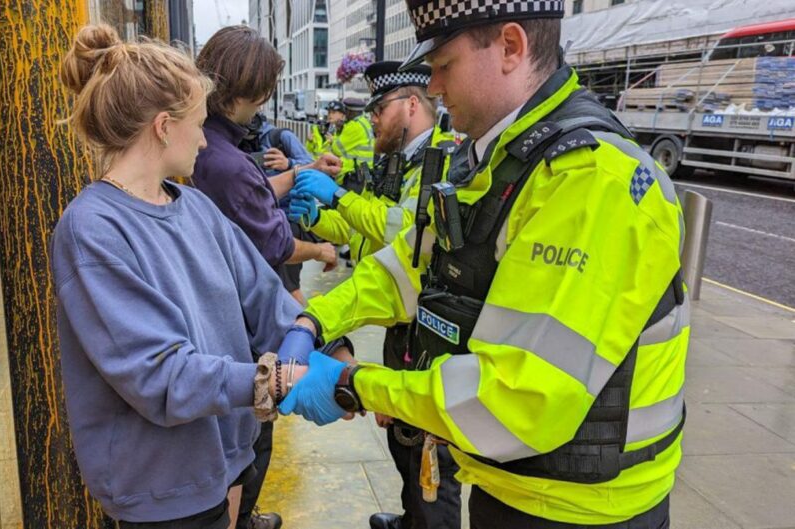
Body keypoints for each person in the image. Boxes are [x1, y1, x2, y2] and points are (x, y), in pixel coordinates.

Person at [278, 1, 689, 528]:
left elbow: (518, 397)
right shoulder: (497, 158)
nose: (435, 89)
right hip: (517, 485)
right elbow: (406, 269)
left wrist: (355, 384)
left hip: (583, 509)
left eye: (443, 66)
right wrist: (316, 321)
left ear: (511, 48)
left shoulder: (589, 181)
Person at [52, 24, 314, 529]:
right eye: (197, 123)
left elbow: (263, 295)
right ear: (164, 126)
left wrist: (310, 333)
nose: (204, 137)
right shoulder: (91, 229)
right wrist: (274, 380)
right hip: (159, 486)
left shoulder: (192, 204)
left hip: (223, 458)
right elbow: (158, 374)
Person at [288, 61, 461, 529]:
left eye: (381, 109)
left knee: (431, 453)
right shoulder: (397, 163)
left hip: (430, 320)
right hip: (397, 318)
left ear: (410, 104)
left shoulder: (444, 160)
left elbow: (405, 231)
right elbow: (362, 235)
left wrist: (339, 198)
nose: (374, 120)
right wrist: (319, 218)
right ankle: (411, 519)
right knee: (402, 434)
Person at [191, 25, 341, 529]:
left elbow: (247, 194)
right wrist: (319, 249)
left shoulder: (212, 148)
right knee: (251, 438)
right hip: (238, 327)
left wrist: (295, 175)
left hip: (222, 317)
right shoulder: (219, 157)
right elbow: (269, 244)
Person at [240, 113, 316, 306]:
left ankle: (310, 329)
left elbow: (313, 166)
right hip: (260, 221)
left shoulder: (281, 137)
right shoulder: (234, 144)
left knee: (291, 289)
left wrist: (288, 164)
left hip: (289, 219)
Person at [323, 98, 375, 189]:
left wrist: (332, 140)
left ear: (351, 112)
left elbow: (337, 149)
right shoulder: (364, 122)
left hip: (353, 174)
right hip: (364, 172)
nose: (345, 114)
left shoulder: (353, 126)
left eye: (346, 110)